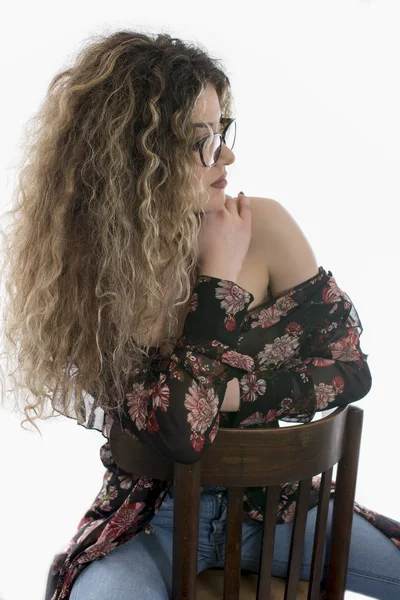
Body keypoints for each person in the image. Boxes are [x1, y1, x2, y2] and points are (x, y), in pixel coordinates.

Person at [0, 30, 398, 600]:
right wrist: (216, 280)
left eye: (222, 132)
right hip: (149, 521)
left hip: (280, 512)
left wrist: (228, 395)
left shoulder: (266, 225)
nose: (226, 155)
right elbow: (180, 437)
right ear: (138, 155)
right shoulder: (90, 273)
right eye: (200, 141)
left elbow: (351, 369)